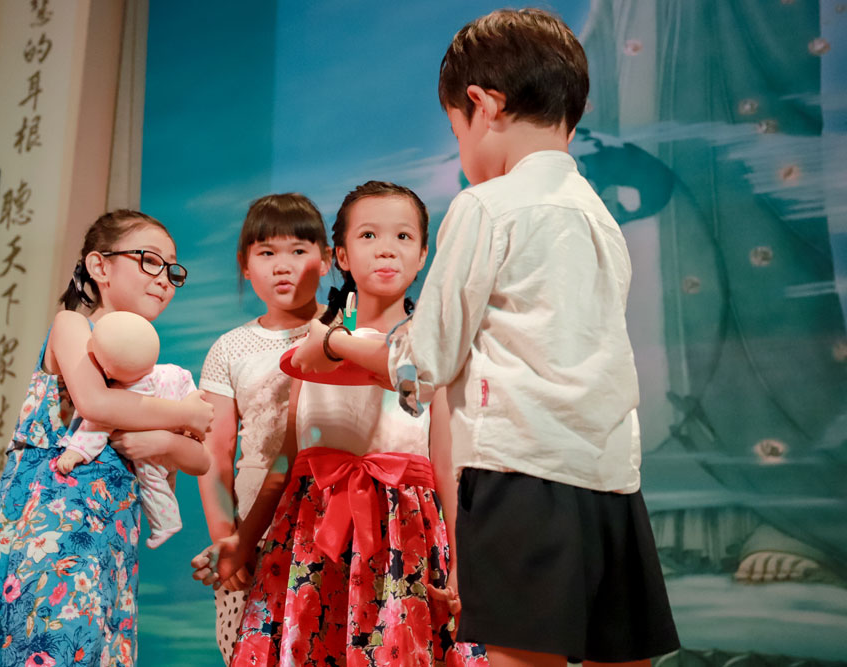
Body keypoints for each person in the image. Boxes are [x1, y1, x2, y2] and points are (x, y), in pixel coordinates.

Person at [290, 10, 681, 667]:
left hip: (520, 474)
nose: (461, 149)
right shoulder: (598, 216)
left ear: (482, 103)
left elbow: (426, 359)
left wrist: (334, 346)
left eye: (454, 128)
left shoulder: (486, 205)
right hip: (612, 475)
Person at [197, 182, 487, 666]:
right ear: (342, 256)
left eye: (404, 237)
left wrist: (461, 562)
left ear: (422, 257)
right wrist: (242, 541)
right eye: (369, 235)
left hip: (406, 539)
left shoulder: (431, 350)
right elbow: (285, 465)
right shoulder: (309, 351)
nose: (387, 249)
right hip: (310, 543)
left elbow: (446, 470)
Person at [0, 209, 213, 667]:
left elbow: (200, 459)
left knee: (89, 642)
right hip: (54, 520)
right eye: (149, 260)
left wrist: (163, 441)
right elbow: (96, 403)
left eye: (172, 269)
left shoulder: (162, 375)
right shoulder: (74, 326)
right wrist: (184, 413)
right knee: (46, 636)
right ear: (99, 266)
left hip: (112, 535)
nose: (164, 279)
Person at [195, 194, 331, 663]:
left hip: (329, 507)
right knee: (252, 645)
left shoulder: (343, 333)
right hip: (253, 514)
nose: (282, 266)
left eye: (298, 250)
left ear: (328, 260)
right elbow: (214, 451)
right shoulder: (230, 348)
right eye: (266, 253)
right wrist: (226, 537)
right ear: (245, 264)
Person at [56, 310, 202, 549]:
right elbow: (189, 387)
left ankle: (166, 523)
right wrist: (192, 415)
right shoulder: (173, 372)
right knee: (166, 478)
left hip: (154, 451)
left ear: (107, 372)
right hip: (178, 440)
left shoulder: (122, 394)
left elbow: (96, 427)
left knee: (151, 479)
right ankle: (169, 506)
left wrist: (76, 452)